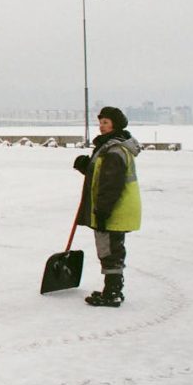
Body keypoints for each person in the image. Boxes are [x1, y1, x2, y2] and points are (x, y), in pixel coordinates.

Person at [72, 106, 142, 308]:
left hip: (114, 209)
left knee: (109, 250)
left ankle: (112, 293)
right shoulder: (111, 147)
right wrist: (87, 166)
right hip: (117, 208)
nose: (101, 126)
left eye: (106, 123)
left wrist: (102, 211)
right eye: (100, 122)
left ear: (115, 125)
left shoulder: (114, 150)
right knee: (113, 248)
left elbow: (111, 185)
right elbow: (103, 176)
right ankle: (113, 289)